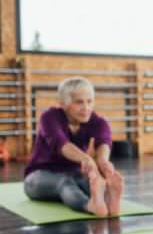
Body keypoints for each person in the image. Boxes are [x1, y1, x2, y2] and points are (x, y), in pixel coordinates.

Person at [23, 77, 124, 217]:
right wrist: (86, 158)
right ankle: (89, 206)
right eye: (79, 102)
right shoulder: (49, 117)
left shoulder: (99, 122)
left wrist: (103, 163)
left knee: (91, 182)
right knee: (65, 182)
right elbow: (62, 145)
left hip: (74, 174)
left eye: (89, 101)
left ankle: (107, 200)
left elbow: (104, 142)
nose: (86, 108)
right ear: (63, 103)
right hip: (39, 176)